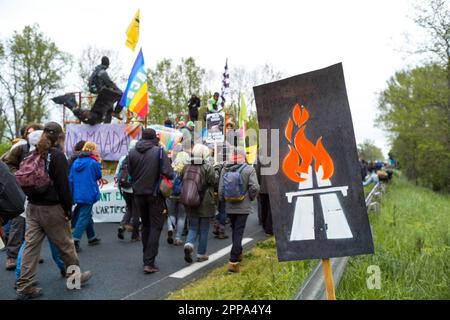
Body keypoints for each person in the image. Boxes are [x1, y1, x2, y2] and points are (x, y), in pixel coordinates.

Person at [16, 122, 92, 300]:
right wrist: (68, 209)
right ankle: (74, 279)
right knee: (66, 246)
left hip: (33, 207)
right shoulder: (57, 156)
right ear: (59, 136)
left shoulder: (32, 152)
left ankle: (24, 285)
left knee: (30, 246)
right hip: (52, 208)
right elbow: (63, 186)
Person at [128, 128, 173, 274]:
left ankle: (146, 258)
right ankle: (149, 261)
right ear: (155, 138)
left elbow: (130, 172)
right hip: (154, 194)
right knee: (156, 226)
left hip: (138, 194)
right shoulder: (159, 151)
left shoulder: (132, 152)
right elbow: (169, 173)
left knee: (146, 225)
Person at [219, 146, 260, 273]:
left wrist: (223, 201)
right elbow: (255, 187)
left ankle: (239, 252)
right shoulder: (249, 169)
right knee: (238, 231)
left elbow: (220, 189)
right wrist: (251, 198)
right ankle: (233, 261)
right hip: (243, 205)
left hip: (229, 205)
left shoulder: (225, 169)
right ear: (243, 156)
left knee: (234, 230)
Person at [52, 56, 124, 125]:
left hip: (102, 95)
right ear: (107, 64)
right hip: (104, 94)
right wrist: (117, 90)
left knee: (97, 117)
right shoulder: (102, 72)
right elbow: (110, 83)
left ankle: (72, 105)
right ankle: (116, 112)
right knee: (122, 95)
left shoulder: (96, 71)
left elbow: (95, 84)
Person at [182, 144, 219, 263]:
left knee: (193, 227)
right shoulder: (207, 167)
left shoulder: (186, 166)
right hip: (205, 201)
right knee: (204, 229)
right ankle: (201, 254)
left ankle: (189, 244)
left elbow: (181, 178)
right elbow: (213, 181)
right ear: (204, 154)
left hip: (190, 199)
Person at [70, 141, 102, 252]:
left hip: (78, 192)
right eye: (96, 149)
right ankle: (75, 240)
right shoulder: (93, 163)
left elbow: (71, 178)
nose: (97, 150)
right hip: (88, 192)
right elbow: (98, 176)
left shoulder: (76, 162)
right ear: (92, 150)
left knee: (86, 214)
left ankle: (92, 237)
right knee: (84, 216)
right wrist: (99, 162)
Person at [115, 140, 140, 241]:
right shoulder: (139, 157)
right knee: (136, 212)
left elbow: (117, 173)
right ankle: (135, 236)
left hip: (125, 187)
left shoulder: (123, 158)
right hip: (135, 188)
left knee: (129, 208)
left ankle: (122, 225)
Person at [166, 149, 190, 246]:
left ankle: (170, 228)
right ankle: (178, 238)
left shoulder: (172, 168)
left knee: (171, 213)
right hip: (182, 195)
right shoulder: (187, 169)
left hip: (171, 194)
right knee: (181, 216)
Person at [256, 156, 273, 237]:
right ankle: (269, 229)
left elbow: (257, 171)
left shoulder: (261, 152)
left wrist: (259, 184)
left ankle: (264, 225)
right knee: (271, 208)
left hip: (263, 185)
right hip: (273, 186)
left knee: (264, 207)